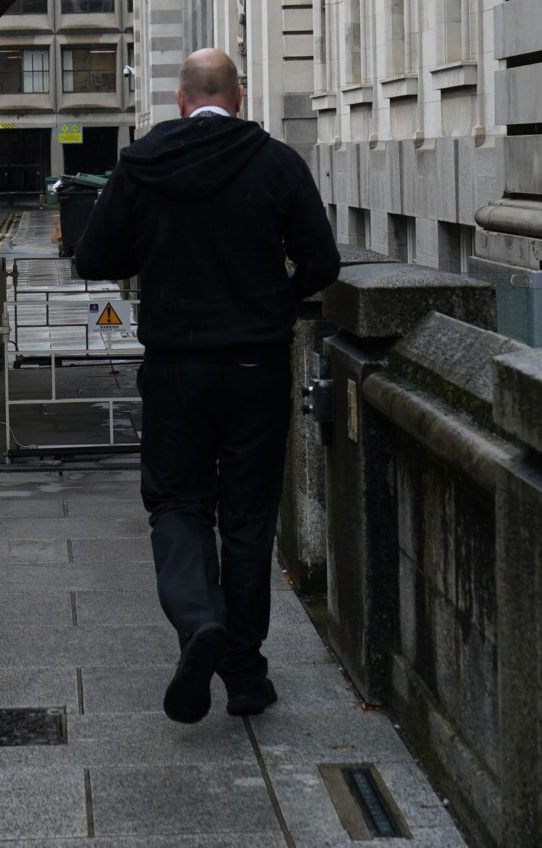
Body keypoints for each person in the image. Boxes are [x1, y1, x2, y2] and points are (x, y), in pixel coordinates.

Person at [74, 48, 341, 723]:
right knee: (249, 520)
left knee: (176, 504)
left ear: (180, 99)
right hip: (255, 366)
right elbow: (322, 261)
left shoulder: (142, 165)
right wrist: (274, 302)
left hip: (174, 365)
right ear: (240, 97)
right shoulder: (277, 162)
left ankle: (198, 622)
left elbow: (96, 256)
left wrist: (157, 253)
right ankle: (246, 676)